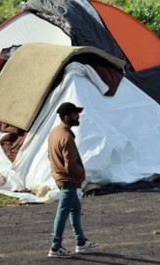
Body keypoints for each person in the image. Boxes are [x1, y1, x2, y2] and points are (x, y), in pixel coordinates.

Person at [47, 102, 99, 259]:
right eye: (76, 114)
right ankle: (55, 247)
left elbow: (49, 155)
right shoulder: (66, 137)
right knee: (62, 214)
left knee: (74, 209)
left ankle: (81, 242)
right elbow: (70, 165)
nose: (78, 116)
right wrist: (81, 175)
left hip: (60, 177)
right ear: (67, 117)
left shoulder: (54, 132)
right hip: (68, 181)